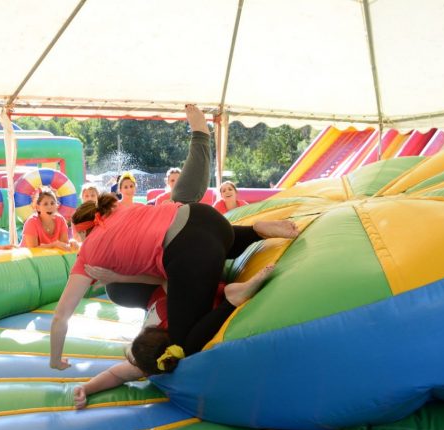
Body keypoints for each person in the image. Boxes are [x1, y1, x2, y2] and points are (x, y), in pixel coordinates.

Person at [49, 105, 299, 371]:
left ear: (82, 232)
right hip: (209, 220)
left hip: (190, 251)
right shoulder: (123, 208)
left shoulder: (88, 256)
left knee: (181, 344)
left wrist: (55, 360)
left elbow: (60, 316)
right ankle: (256, 231)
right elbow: (179, 213)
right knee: (209, 242)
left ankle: (232, 298)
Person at [72, 267, 272, 408]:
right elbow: (117, 374)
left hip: (184, 293)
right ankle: (231, 295)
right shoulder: (170, 334)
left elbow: (117, 374)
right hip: (191, 294)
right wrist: (87, 388)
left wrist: (87, 388)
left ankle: (231, 297)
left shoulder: (166, 344)